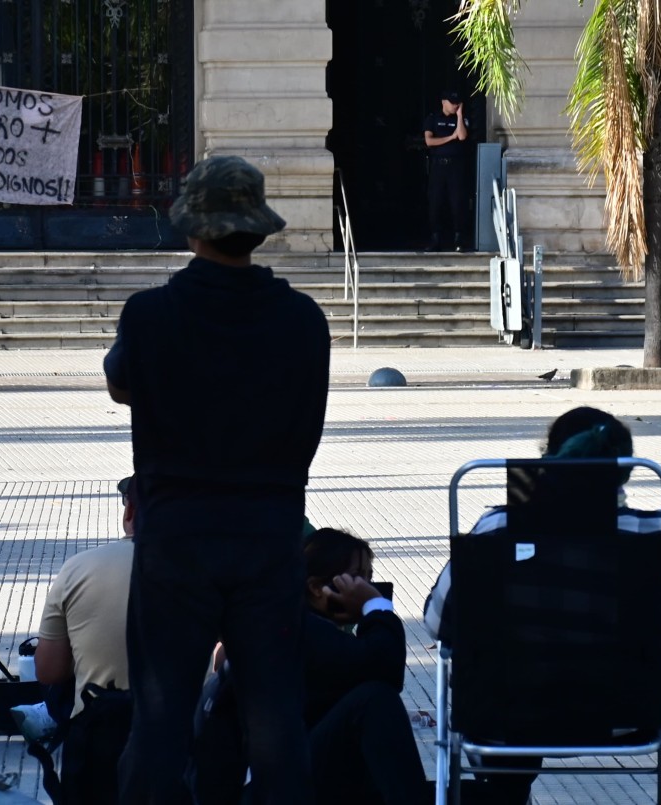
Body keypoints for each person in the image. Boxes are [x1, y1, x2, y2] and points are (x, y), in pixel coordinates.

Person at [105, 154, 331, 805]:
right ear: (258, 230)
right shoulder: (304, 319)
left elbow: (121, 383)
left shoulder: (149, 315)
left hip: (176, 537)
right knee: (277, 721)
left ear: (192, 229)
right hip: (269, 534)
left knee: (159, 722)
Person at [423, 406, 661, 805]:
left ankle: (505, 791)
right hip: (629, 715)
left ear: (548, 459)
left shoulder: (494, 531)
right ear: (624, 469)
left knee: (483, 655)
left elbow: (437, 623)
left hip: (504, 715)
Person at [301, 528, 426, 805]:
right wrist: (377, 607)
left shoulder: (317, 627)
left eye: (369, 578)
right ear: (316, 587)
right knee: (375, 699)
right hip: (292, 779)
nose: (366, 588)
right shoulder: (304, 630)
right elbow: (385, 666)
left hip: (322, 773)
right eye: (356, 577)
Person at [35, 475, 137, 718]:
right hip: (189, 730)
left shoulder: (77, 569)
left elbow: (48, 671)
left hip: (102, 728)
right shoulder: (208, 569)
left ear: (130, 512)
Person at [423, 91, 471, 252]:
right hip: (438, 166)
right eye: (452, 102)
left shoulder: (460, 119)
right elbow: (429, 141)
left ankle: (458, 239)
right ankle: (435, 238)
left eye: (457, 102)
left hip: (455, 167)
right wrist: (450, 137)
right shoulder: (433, 119)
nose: (455, 105)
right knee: (435, 202)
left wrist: (459, 116)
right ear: (443, 102)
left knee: (457, 202)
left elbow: (462, 136)